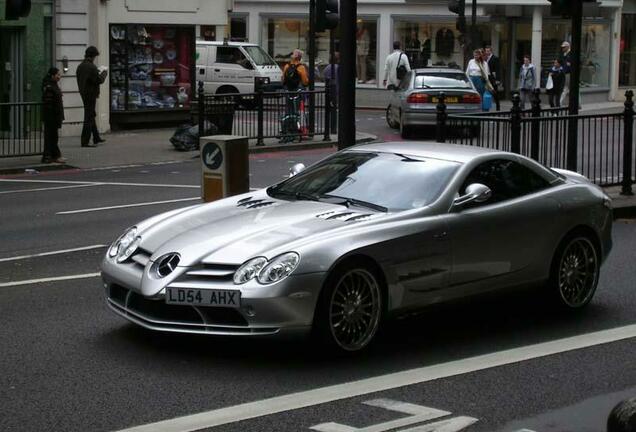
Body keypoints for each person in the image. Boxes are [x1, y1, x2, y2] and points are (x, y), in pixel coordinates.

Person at [76, 46, 107, 147]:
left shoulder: (80, 66)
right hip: (91, 94)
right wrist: (104, 73)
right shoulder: (91, 67)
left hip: (83, 93)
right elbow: (99, 80)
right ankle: (85, 141)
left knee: (91, 115)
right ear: (93, 56)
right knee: (88, 117)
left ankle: (96, 137)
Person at [41, 67, 65, 164]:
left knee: (53, 136)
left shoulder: (52, 85)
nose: (59, 77)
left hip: (54, 115)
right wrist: (54, 114)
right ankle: (50, 156)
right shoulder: (49, 86)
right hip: (51, 115)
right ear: (52, 75)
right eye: (58, 75)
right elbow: (49, 102)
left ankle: (52, 155)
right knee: (51, 136)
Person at [322, 51, 339, 133]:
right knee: (334, 110)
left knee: (328, 110)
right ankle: (333, 129)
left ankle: (327, 128)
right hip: (335, 91)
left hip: (327, 91)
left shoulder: (326, 68)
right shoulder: (338, 68)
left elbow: (324, 77)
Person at [484, 45, 502, 111]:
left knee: (495, 93)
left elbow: (498, 69)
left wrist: (498, 79)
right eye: (486, 51)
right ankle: (486, 107)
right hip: (486, 77)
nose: (487, 52)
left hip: (493, 78)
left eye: (488, 51)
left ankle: (498, 107)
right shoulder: (484, 58)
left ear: (491, 51)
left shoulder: (495, 58)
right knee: (486, 92)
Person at [558, 41, 572, 107]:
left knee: (566, 88)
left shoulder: (570, 54)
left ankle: (560, 102)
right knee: (570, 88)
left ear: (567, 47)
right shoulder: (564, 54)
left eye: (564, 47)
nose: (562, 49)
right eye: (562, 47)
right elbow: (562, 62)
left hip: (569, 73)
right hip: (566, 73)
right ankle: (578, 104)